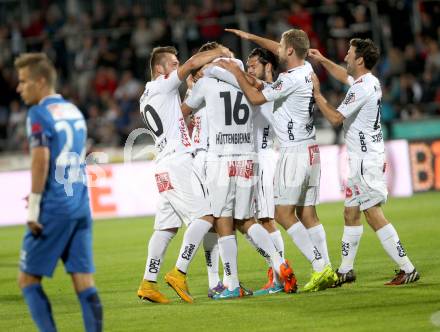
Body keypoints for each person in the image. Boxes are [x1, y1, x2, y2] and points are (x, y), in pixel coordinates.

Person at [165, 41, 297, 301]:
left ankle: (232, 283)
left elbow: (182, 112)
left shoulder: (206, 82)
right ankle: (279, 263)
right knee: (247, 220)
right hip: (248, 157)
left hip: (219, 160)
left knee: (223, 220)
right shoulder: (246, 81)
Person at [218, 28, 338, 292]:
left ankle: (320, 267)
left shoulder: (290, 79)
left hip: (293, 152)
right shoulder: (306, 69)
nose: (278, 49)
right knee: (308, 213)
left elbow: (256, 97)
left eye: (282, 47)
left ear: (290, 51)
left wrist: (236, 71)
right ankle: (327, 268)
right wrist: (252, 38)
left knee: (282, 214)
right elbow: (281, 53)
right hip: (311, 149)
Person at [309, 39, 420, 285]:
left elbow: (336, 118)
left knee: (372, 213)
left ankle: (407, 268)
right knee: (350, 213)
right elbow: (342, 75)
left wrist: (317, 95)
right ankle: (346, 269)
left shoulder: (361, 88)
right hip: (362, 159)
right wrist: (322, 60)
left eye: (349, 53)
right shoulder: (368, 81)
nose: (345, 57)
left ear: (359, 59)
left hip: (366, 160)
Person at [15, 53, 103, 332]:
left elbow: (40, 159)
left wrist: (35, 205)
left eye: (24, 82)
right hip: (79, 205)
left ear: (40, 82)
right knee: (84, 283)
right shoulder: (73, 109)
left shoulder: (38, 113)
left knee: (27, 281)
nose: (19, 88)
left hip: (53, 208)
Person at [137, 45, 230, 304]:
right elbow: (191, 64)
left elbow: (175, 119)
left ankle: (148, 283)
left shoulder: (147, 95)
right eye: (172, 62)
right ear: (160, 68)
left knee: (165, 228)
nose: (177, 65)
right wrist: (218, 52)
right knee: (206, 216)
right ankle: (179, 272)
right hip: (178, 162)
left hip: (163, 163)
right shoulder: (162, 85)